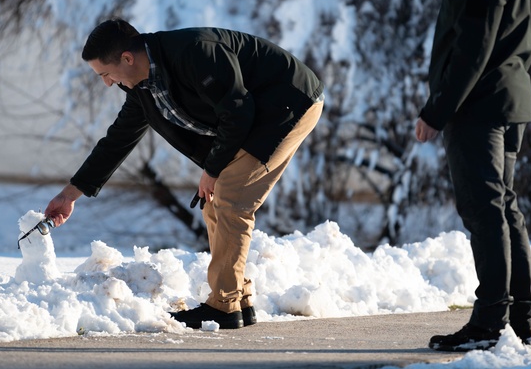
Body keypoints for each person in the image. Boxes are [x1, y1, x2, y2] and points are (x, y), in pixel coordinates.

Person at [45, 19, 324, 329]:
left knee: (231, 198)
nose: (107, 84)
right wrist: (70, 194)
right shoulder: (143, 89)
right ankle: (237, 300)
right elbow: (117, 141)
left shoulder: (195, 52)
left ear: (127, 58)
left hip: (288, 102)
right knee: (214, 204)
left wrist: (213, 169)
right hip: (252, 118)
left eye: (106, 74)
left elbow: (237, 109)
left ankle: (224, 305)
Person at [415, 0, 531, 352]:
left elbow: (475, 44)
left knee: (485, 208)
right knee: (503, 207)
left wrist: (438, 108)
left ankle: (492, 321)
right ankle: (517, 318)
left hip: (480, 105)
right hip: (511, 99)